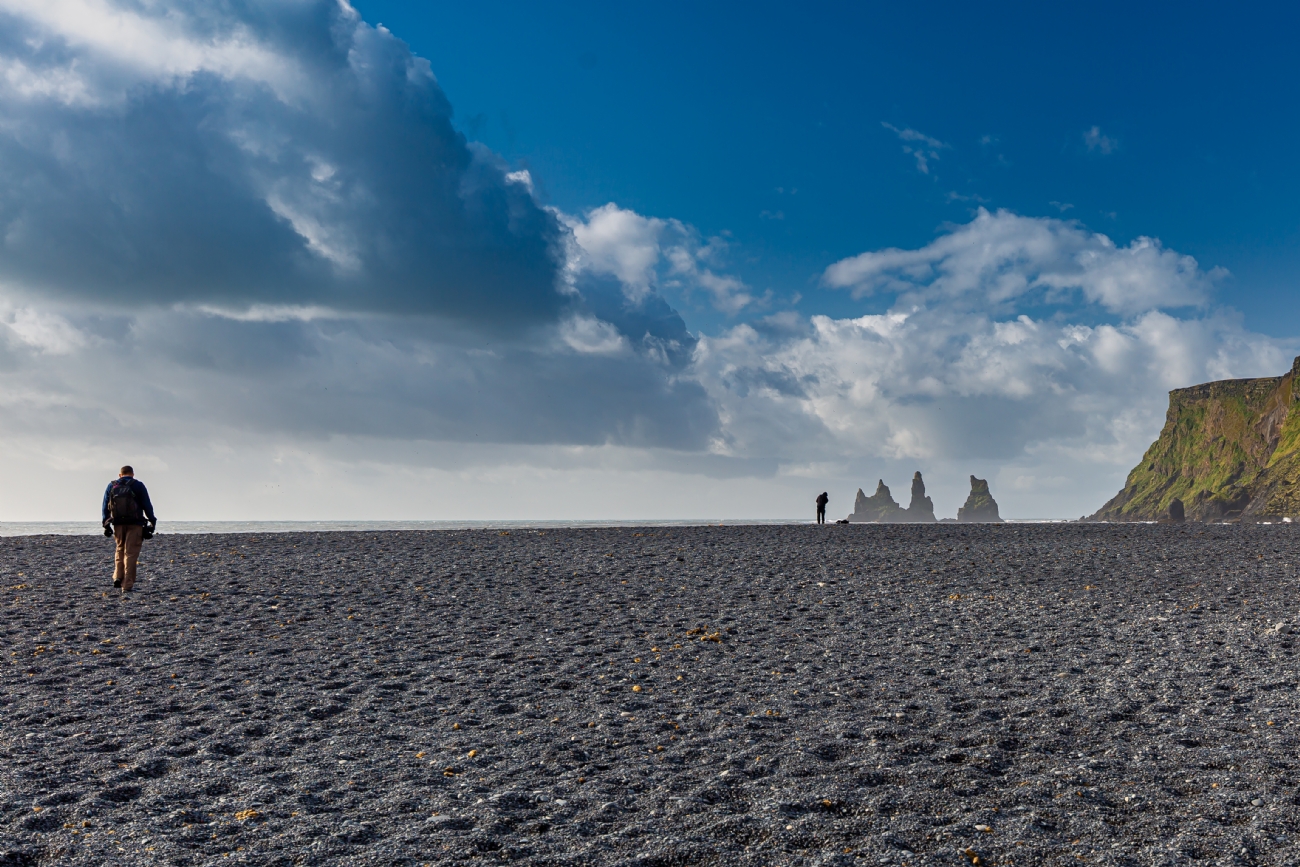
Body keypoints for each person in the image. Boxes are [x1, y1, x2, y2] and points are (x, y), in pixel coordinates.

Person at [101, 466, 157, 593]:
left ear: (120, 474)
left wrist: (106, 523)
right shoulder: (138, 485)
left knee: (120, 549)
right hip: (135, 523)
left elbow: (105, 506)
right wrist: (152, 521)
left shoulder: (112, 485)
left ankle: (117, 577)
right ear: (133, 474)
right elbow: (147, 505)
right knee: (131, 553)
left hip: (118, 524)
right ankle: (127, 584)